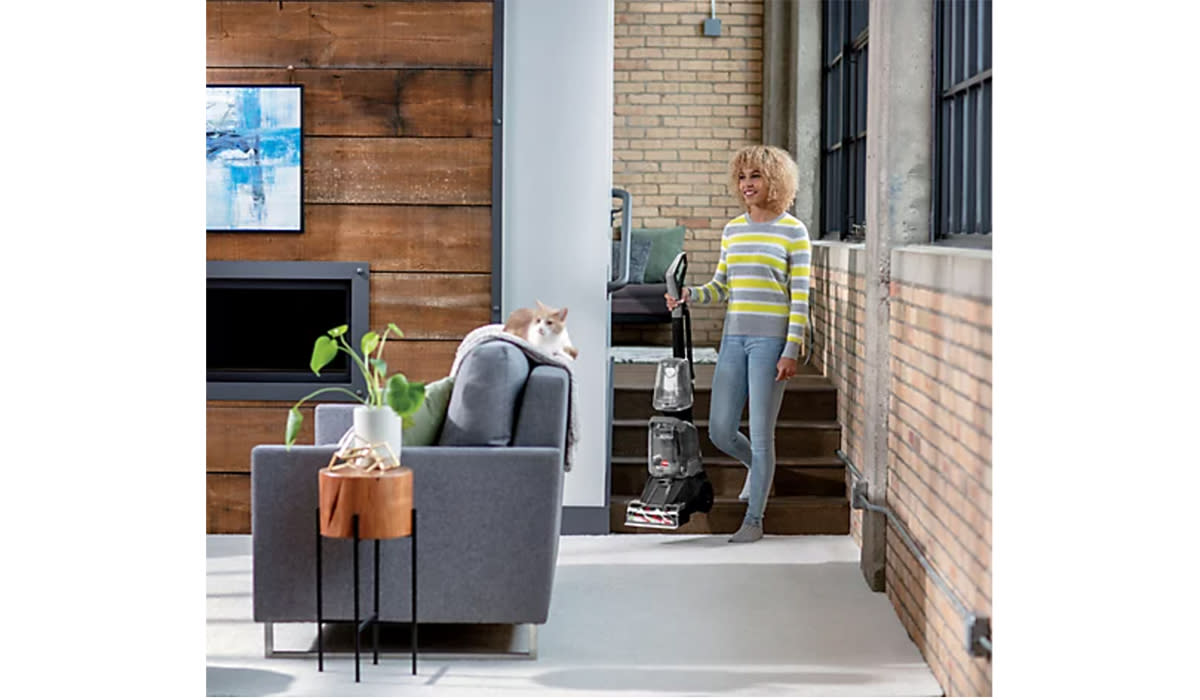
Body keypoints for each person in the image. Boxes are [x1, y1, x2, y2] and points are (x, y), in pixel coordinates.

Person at [665, 145, 811, 543]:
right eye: (743, 177)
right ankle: (761, 469)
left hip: (771, 341)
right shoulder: (733, 229)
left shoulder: (793, 232)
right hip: (734, 337)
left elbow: (800, 296)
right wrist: (690, 294)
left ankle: (754, 520)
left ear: (775, 182)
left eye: (757, 176)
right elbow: (721, 287)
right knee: (720, 430)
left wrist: (790, 349)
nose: (748, 184)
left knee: (762, 433)